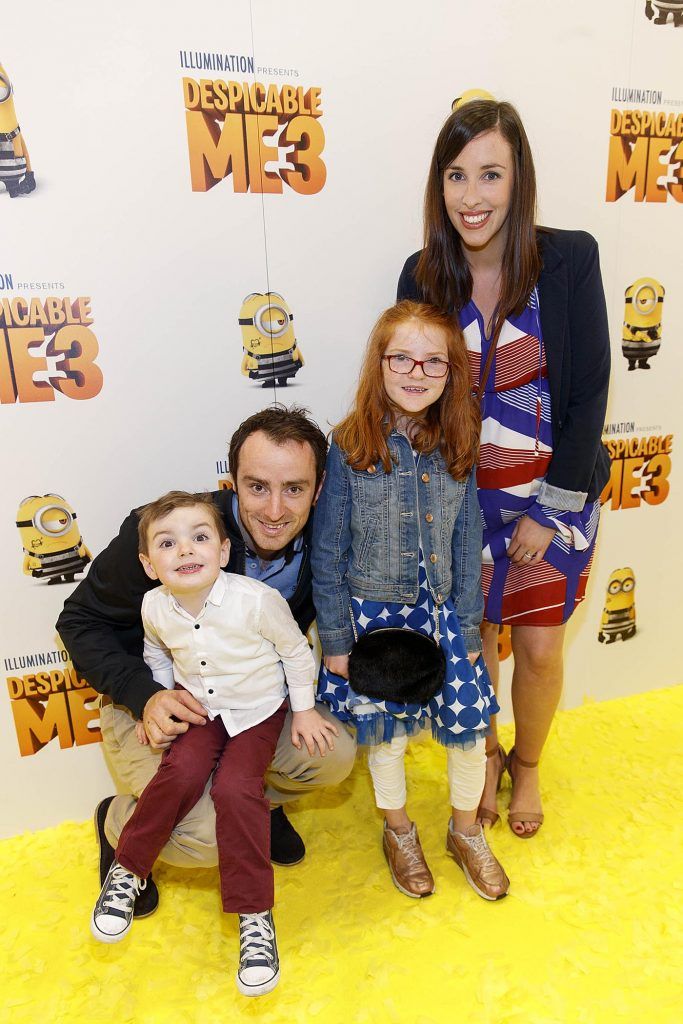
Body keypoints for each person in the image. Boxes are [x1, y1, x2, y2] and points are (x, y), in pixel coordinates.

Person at [397, 99, 610, 836]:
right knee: (477, 642)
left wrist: (551, 512)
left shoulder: (568, 258)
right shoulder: (421, 273)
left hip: (556, 492)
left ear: (518, 180)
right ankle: (482, 755)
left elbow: (587, 394)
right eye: (456, 176)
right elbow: (410, 398)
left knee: (541, 645)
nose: (472, 196)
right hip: (463, 501)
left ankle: (527, 766)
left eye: (490, 174)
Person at [57, 406, 356, 916]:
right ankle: (118, 825)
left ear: (319, 488)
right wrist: (144, 695)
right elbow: (79, 622)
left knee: (331, 756)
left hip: (251, 705)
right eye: (257, 486)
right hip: (155, 700)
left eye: (295, 489)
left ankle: (258, 806)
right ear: (230, 482)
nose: (276, 510)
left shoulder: (325, 542)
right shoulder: (170, 535)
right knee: (209, 839)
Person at [90, 491, 336, 996]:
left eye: (199, 538)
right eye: (167, 543)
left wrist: (305, 708)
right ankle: (127, 867)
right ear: (148, 563)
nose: (185, 551)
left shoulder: (257, 600)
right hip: (201, 707)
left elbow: (295, 651)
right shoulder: (153, 606)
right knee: (177, 773)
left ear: (223, 552)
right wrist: (153, 700)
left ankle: (254, 915)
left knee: (234, 789)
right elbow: (156, 654)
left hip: (256, 711)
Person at [312, 300, 509, 901]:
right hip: (376, 615)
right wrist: (340, 644)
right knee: (388, 737)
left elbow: (468, 536)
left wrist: (472, 626)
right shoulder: (349, 445)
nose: (417, 372)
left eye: (434, 362)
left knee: (471, 730)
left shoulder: (459, 440)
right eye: (402, 357)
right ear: (380, 362)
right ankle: (398, 831)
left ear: (452, 373)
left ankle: (467, 830)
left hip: (448, 613)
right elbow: (328, 552)